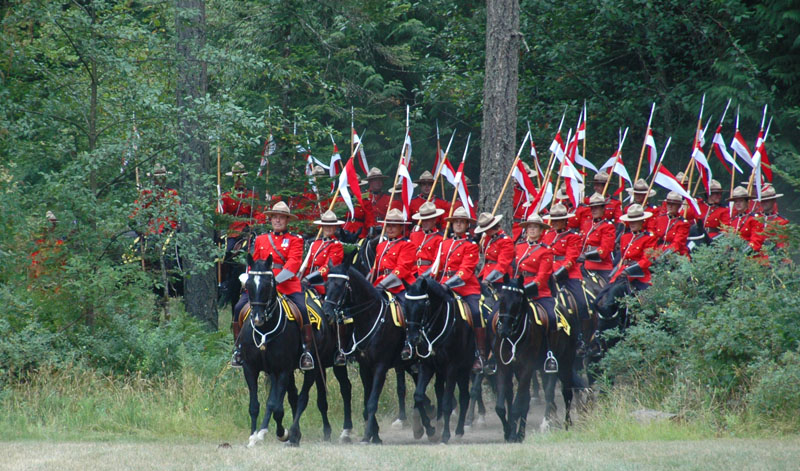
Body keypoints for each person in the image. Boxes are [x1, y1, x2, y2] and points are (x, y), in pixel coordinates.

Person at [251, 201, 314, 371]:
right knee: (240, 308)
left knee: (303, 310)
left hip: (287, 285)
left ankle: (306, 351)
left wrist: (275, 281)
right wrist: (250, 281)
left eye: (281, 218)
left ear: (287, 220)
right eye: (275, 217)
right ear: (270, 219)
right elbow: (255, 261)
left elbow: (293, 263)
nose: (277, 220)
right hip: (261, 287)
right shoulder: (261, 239)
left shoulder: (295, 240)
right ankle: (240, 349)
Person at [436, 207, 484, 372]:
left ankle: (480, 353)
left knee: (476, 312)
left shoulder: (470, 245)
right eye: (455, 222)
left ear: (466, 225)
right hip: (443, 283)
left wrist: (448, 284)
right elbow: (437, 267)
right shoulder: (445, 243)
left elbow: (465, 271)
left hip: (465, 287)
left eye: (461, 222)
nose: (458, 225)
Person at [514, 213, 559, 373]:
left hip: (539, 292)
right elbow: (515, 271)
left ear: (541, 231)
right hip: (519, 290)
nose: (532, 230)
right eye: (529, 227)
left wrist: (528, 289)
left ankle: (550, 354)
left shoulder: (546, 250)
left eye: (535, 227)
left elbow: (542, 276)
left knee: (551, 318)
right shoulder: (519, 247)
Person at [302, 210, 346, 365]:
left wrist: (309, 278)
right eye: (325, 225)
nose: (328, 228)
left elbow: (328, 267)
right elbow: (307, 265)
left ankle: (339, 349)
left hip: (325, 285)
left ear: (335, 228)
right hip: (306, 284)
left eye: (331, 226)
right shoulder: (315, 243)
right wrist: (301, 276)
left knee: (334, 315)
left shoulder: (337, 246)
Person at [542, 203, 589, 323]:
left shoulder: (573, 236)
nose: (555, 223)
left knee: (581, 302)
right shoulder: (548, 235)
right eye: (553, 220)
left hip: (568, 274)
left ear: (565, 220)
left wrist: (558, 273)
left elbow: (571, 259)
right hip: (548, 271)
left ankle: (583, 329)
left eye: (558, 220)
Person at [219, 161, 265, 252]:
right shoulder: (226, 196)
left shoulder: (251, 195)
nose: (239, 180)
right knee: (227, 252)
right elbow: (221, 215)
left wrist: (250, 225)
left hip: (248, 230)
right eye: (237, 178)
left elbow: (258, 213)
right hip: (232, 231)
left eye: (241, 177)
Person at [372, 208, 417, 301]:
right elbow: (375, 268)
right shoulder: (381, 246)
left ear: (401, 228)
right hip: (379, 282)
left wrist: (383, 284)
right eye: (388, 226)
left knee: (406, 307)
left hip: (398, 284)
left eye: (394, 226)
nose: (390, 229)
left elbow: (402, 268)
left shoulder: (407, 245)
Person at [611, 204, 658, 290]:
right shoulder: (625, 237)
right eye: (630, 221)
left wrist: (629, 270)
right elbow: (623, 257)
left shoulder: (649, 238)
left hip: (639, 275)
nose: (632, 224)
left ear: (642, 221)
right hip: (622, 272)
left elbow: (646, 260)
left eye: (635, 221)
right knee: (602, 295)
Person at [579, 193, 616, 282]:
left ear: (603, 209)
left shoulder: (608, 227)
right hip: (583, 265)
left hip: (601, 266)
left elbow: (604, 250)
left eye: (597, 207)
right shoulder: (587, 224)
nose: (593, 210)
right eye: (592, 208)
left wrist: (585, 256)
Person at [475, 212, 514, 289]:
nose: (485, 232)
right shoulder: (488, 238)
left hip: (499, 278)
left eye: (486, 229)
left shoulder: (505, 241)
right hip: (485, 273)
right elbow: (482, 250)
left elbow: (503, 264)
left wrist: (489, 279)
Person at [410, 202, 445, 277]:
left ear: (434, 220)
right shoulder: (414, 235)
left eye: (427, 220)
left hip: (426, 274)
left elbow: (437, 262)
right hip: (411, 273)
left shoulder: (440, 239)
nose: (424, 223)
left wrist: (428, 276)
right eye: (423, 220)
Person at [651, 192, 691, 256]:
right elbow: (653, 238)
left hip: (676, 253)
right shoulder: (659, 218)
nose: (670, 206)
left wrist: (664, 254)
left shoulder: (683, 224)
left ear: (679, 206)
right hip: (658, 251)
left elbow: (677, 244)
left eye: (674, 204)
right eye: (668, 203)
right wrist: (654, 252)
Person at [727, 186, 764, 252]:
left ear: (747, 202)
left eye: (741, 201)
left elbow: (756, 241)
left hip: (749, 255)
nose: (738, 203)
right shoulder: (733, 220)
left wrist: (743, 253)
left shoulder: (754, 219)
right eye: (736, 201)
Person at [757, 184, 788, 251]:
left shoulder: (781, 222)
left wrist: (772, 248)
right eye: (762, 200)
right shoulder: (756, 218)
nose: (764, 203)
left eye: (767, 200)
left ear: (773, 200)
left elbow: (782, 246)